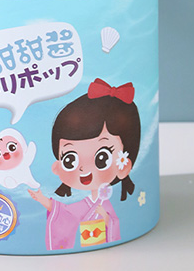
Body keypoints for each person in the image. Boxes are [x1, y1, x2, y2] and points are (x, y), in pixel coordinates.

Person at [28, 79, 141, 250]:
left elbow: (112, 223)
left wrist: (105, 217)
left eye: (101, 158)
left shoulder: (104, 204)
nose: (83, 167)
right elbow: (65, 213)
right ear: (57, 166)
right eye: (70, 159)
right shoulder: (87, 203)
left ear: (123, 166)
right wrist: (43, 200)